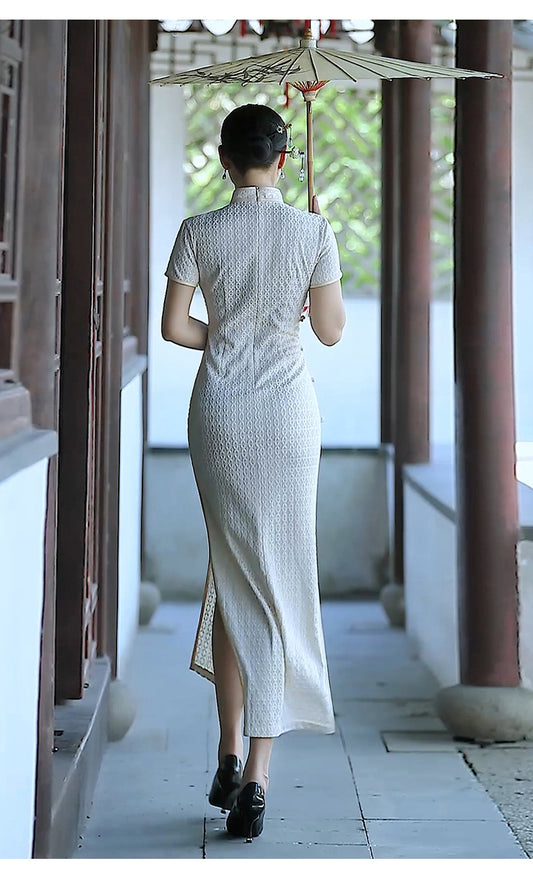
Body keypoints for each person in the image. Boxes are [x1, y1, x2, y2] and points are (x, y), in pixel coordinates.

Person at [161, 103, 346, 841]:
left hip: (220, 417)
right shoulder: (313, 231)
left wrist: (230, 331)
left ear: (223, 158)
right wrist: (304, 286)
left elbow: (175, 326)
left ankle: (228, 751)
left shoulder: (198, 230)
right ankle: (257, 778)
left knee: (231, 572)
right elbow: (330, 331)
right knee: (277, 579)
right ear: (284, 159)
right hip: (288, 420)